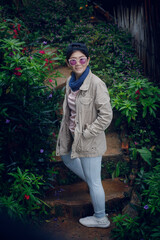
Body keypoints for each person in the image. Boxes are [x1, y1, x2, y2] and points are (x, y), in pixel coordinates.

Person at [56, 42, 113, 228]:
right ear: (68, 63)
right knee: (66, 157)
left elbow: (106, 116)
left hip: (89, 140)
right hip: (72, 134)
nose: (78, 63)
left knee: (95, 182)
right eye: (73, 60)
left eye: (82, 59)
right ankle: (93, 182)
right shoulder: (71, 83)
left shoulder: (96, 84)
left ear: (88, 60)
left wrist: (88, 133)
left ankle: (100, 217)